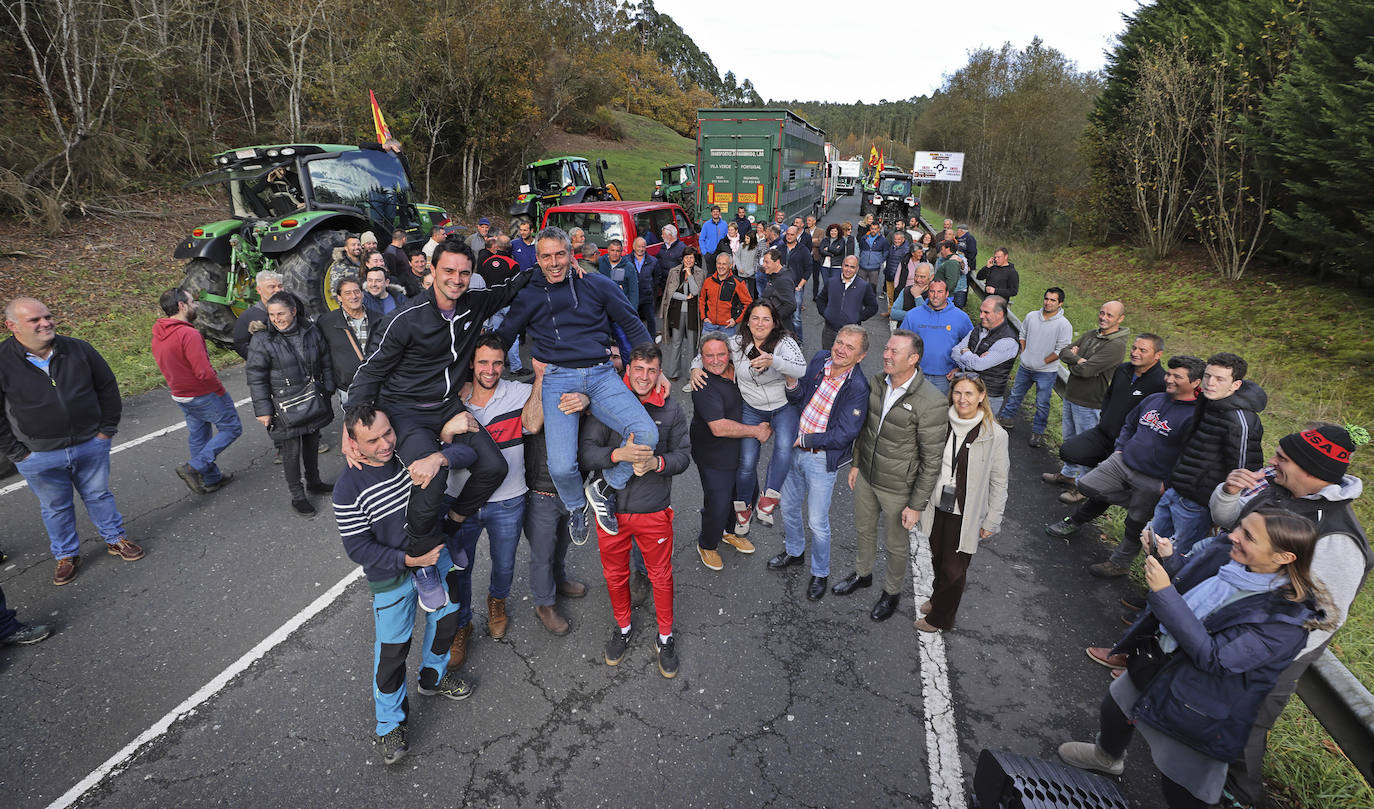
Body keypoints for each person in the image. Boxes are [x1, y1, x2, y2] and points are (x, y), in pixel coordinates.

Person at [1058, 510, 1331, 809]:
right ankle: (1106, 757)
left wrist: (1164, 593)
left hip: (1201, 705)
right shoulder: (1233, 561)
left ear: (1283, 558)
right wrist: (1167, 558)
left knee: (1182, 788)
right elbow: (1187, 582)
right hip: (1162, 665)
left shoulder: (1284, 622)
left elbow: (1215, 659)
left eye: (1248, 536)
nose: (1233, 535)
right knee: (1115, 708)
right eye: (1240, 527)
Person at [347, 238, 528, 613]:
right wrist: (351, 429)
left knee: (494, 466)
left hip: (447, 406)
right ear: (431, 269)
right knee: (431, 479)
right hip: (407, 412)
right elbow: (369, 373)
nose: (456, 279)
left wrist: (554, 266)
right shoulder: (404, 319)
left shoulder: (474, 305)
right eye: (448, 271)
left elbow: (513, 286)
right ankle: (422, 558)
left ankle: (451, 525)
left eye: (464, 272)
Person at [1209, 425, 1370, 808]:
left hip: (1270, 655)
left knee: (1242, 733)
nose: (1271, 462)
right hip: (1233, 630)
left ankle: (1243, 800)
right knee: (1216, 719)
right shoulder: (1273, 488)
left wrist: (1267, 651)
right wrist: (1229, 492)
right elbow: (1227, 522)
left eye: (1282, 458)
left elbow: (1327, 616)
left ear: (1310, 469)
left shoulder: (1339, 538)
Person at [495, 226, 659, 547]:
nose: (554, 262)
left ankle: (604, 487)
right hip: (558, 378)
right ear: (537, 259)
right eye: (546, 256)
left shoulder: (597, 284)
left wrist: (654, 367)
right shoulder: (529, 293)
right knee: (561, 465)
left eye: (560, 254)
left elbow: (631, 324)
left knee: (648, 435)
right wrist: (478, 377)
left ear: (572, 254)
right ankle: (576, 505)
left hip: (601, 375)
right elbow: (503, 336)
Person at [333, 405, 476, 767]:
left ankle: (433, 677)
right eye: (373, 440)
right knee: (392, 653)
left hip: (434, 555)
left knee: (447, 621)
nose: (384, 444)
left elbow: (469, 453)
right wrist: (409, 563)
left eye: (387, 433)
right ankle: (389, 725)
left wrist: (438, 457)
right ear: (353, 443)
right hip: (393, 575)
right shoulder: (346, 488)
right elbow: (358, 548)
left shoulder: (405, 451)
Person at [0, 297, 141, 586]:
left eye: (48, 316)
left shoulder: (78, 349)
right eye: (35, 320)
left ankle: (116, 539)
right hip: (37, 454)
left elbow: (107, 387)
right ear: (12, 326)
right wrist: (17, 453)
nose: (46, 323)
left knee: (99, 495)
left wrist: (106, 430)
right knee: (55, 507)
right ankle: (66, 555)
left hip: (90, 443)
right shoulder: (2, 361)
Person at [581, 343, 690, 676]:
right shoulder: (606, 405)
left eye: (651, 371)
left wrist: (657, 463)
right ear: (627, 370)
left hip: (652, 510)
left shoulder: (672, 409)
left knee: (661, 576)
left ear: (660, 374)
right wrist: (617, 456)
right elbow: (587, 453)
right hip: (610, 512)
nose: (644, 377)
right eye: (638, 369)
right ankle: (624, 627)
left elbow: (683, 456)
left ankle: (666, 637)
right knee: (615, 576)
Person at [1045, 356, 1204, 579]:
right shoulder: (1155, 399)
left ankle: (1118, 563)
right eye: (1169, 373)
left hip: (1154, 478)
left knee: (1135, 524)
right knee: (1087, 486)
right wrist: (1120, 449)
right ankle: (1135, 501)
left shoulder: (1195, 415)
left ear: (1196, 382)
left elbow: (1189, 455)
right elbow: (1130, 423)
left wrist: (1165, 484)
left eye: (1178, 376)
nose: (1169, 379)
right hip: (1123, 461)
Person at [445, 337, 554, 639]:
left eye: (496, 363)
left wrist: (542, 378)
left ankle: (497, 601)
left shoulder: (518, 393)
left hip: (508, 501)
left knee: (504, 565)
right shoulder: (454, 397)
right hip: (459, 501)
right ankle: (462, 623)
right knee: (460, 569)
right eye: (483, 362)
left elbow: (534, 423)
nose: (490, 370)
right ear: (471, 364)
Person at [835, 330, 947, 620]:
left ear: (913, 359)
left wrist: (917, 504)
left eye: (894, 351)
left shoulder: (931, 401)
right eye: (886, 348)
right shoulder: (875, 383)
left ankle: (891, 592)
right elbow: (864, 428)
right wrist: (857, 464)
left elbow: (932, 460)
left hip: (899, 489)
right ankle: (863, 574)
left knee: (896, 545)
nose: (886, 354)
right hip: (867, 478)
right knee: (863, 529)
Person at [768, 325, 871, 601]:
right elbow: (800, 397)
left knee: (817, 521)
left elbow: (845, 433)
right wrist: (792, 384)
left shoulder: (858, 387)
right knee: (788, 506)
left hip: (819, 457)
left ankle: (821, 573)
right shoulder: (819, 360)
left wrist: (804, 440)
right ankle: (794, 551)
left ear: (860, 356)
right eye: (840, 342)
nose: (841, 349)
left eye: (850, 347)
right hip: (793, 449)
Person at [689, 301, 806, 534]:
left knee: (783, 448)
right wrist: (694, 367)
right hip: (752, 408)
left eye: (766, 319)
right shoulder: (737, 343)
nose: (760, 324)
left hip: (782, 406)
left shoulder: (784, 342)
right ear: (747, 320)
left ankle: (767, 501)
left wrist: (774, 361)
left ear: (774, 322)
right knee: (747, 461)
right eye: (755, 318)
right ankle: (743, 509)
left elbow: (801, 369)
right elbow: (710, 351)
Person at [913, 373, 1009, 632]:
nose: (962, 399)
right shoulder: (940, 422)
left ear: (981, 396)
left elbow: (999, 482)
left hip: (965, 513)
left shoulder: (995, 435)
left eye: (969, 394)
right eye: (957, 392)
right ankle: (937, 599)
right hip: (936, 504)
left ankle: (940, 619)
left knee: (954, 570)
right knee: (937, 558)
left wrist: (993, 520)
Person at [1154, 352, 1267, 554]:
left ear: (1236, 385)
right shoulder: (1208, 401)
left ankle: (1163, 587)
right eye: (1207, 376)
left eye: (1219, 379)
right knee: (1152, 543)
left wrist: (1220, 516)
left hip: (1197, 505)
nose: (1210, 383)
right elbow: (1191, 446)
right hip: (1176, 489)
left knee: (1176, 557)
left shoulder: (1240, 422)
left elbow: (1244, 472)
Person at [246, 292, 335, 515]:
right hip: (283, 407)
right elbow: (256, 377)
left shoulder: (311, 330)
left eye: (281, 313)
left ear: (293, 311)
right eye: (272, 315)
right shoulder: (261, 339)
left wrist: (329, 386)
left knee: (313, 443)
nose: (276, 319)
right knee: (291, 452)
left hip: (313, 398)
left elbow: (325, 358)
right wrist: (264, 410)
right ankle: (298, 496)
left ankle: (314, 482)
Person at [1052, 334, 1167, 506]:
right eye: (1134, 348)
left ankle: (1085, 489)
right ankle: (1094, 472)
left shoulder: (1160, 382)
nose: (1135, 353)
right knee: (1069, 451)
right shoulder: (1123, 369)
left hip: (1127, 442)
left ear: (1158, 355)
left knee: (1110, 479)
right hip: (1104, 431)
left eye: (1143, 350)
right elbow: (1109, 395)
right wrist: (1105, 418)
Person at [689, 335, 771, 571]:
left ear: (730, 353)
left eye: (721, 354)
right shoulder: (703, 383)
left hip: (741, 450)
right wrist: (757, 431)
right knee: (718, 501)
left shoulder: (742, 369)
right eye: (709, 356)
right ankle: (707, 543)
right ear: (700, 359)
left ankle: (730, 531)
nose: (715, 361)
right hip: (714, 454)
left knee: (747, 494)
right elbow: (719, 427)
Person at [152, 288, 243, 494]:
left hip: (180, 395)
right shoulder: (188, 334)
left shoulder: (158, 333)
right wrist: (219, 390)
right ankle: (193, 468)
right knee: (231, 428)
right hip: (203, 394)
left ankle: (211, 478)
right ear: (182, 306)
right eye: (193, 302)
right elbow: (203, 372)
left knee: (199, 436)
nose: (196, 305)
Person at [1043, 301, 1131, 486]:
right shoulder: (1092, 334)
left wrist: (1075, 360)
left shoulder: (1116, 345)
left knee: (1087, 447)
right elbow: (1064, 352)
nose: (1103, 317)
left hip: (1090, 402)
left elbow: (1086, 371)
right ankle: (1068, 474)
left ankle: (1083, 485)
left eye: (1109, 315)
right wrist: (1079, 360)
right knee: (1069, 440)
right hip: (1072, 394)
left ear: (1120, 319)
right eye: (1102, 312)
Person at [996, 287, 1072, 447]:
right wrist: (1025, 353)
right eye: (1046, 298)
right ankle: (1006, 419)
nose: (1048, 302)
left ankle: (1037, 433)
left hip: (1046, 372)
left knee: (1042, 403)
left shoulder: (1064, 325)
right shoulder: (1031, 316)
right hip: (1025, 367)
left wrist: (1043, 361)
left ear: (1060, 303)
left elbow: (1061, 350)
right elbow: (1022, 334)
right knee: (1015, 394)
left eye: (1053, 300)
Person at [316, 275, 382, 408]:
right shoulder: (326, 322)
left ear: (362, 294)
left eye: (357, 291)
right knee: (355, 425)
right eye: (347, 293)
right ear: (339, 297)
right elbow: (322, 355)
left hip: (378, 385)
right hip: (348, 388)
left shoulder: (379, 319)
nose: (354, 296)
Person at [899, 279, 972, 396]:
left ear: (947, 294)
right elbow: (900, 344)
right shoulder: (912, 315)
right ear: (928, 292)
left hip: (945, 378)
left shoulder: (961, 318)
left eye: (940, 292)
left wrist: (959, 368)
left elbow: (971, 345)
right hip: (916, 375)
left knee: (939, 412)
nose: (935, 296)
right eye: (932, 291)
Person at [949, 296, 1019, 416]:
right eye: (981, 311)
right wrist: (969, 363)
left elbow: (979, 365)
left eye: (986, 312)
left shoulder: (1008, 341)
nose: (981, 315)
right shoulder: (978, 329)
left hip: (988, 397)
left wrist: (966, 353)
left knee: (982, 433)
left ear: (1000, 314)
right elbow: (955, 351)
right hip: (967, 391)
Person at [816, 255, 879, 352]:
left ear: (857, 268)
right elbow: (821, 300)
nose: (848, 269)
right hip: (830, 331)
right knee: (827, 358)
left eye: (852, 267)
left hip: (852, 333)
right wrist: (826, 314)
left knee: (848, 362)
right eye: (846, 265)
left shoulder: (863, 286)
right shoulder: (831, 282)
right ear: (842, 266)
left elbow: (873, 307)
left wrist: (858, 317)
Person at [658, 246, 704, 379]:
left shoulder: (699, 273)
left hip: (692, 313)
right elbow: (670, 293)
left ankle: (692, 374)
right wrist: (685, 297)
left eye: (691, 257)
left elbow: (696, 292)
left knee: (692, 345)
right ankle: (673, 373)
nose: (688, 260)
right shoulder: (674, 271)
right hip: (677, 312)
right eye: (686, 257)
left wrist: (689, 275)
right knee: (676, 343)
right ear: (682, 258)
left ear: (695, 259)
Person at [699, 250, 752, 343]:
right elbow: (702, 299)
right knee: (706, 354)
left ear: (730, 266)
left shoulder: (738, 283)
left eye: (724, 264)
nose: (721, 266)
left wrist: (736, 320)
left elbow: (748, 303)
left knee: (727, 356)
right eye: (719, 263)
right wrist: (704, 317)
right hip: (709, 326)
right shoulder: (708, 281)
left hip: (727, 328)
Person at [232, 270, 284, 359]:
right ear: (259, 290)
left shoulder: (294, 308)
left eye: (280, 286)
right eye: (272, 287)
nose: (278, 290)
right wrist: (262, 360)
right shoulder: (248, 316)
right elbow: (240, 345)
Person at [754, 247, 797, 331]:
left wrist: (773, 320)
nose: (764, 265)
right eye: (763, 262)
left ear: (777, 262)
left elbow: (791, 305)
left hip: (779, 330)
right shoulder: (774, 275)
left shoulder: (784, 280)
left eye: (767, 262)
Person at [627, 236, 659, 334]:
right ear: (633, 247)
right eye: (639, 247)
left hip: (647, 296)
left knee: (651, 320)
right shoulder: (626, 260)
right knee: (632, 320)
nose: (641, 249)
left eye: (643, 247)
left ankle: (652, 340)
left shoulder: (653, 261)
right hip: (632, 297)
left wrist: (650, 287)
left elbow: (657, 277)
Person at [596, 238, 638, 311]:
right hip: (602, 307)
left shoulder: (628, 267)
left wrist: (633, 311)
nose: (615, 253)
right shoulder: (599, 262)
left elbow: (633, 291)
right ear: (608, 250)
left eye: (617, 251)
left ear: (621, 252)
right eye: (612, 250)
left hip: (621, 307)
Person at [889, 260, 932, 327]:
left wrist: (917, 296)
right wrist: (915, 315)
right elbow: (894, 313)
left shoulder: (934, 294)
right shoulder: (906, 290)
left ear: (931, 277)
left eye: (922, 277)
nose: (918, 280)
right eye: (916, 276)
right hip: (904, 333)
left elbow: (925, 316)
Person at [881, 230, 912, 317]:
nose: (896, 241)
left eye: (898, 239)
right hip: (889, 274)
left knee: (897, 297)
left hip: (898, 278)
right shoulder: (892, 247)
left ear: (903, 239)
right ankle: (890, 312)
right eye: (895, 239)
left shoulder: (906, 250)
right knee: (890, 295)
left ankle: (895, 314)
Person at [856, 220, 889, 293]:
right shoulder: (863, 238)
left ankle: (870, 303)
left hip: (874, 269)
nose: (873, 230)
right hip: (862, 267)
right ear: (869, 229)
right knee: (860, 287)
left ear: (878, 229)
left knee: (872, 289)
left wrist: (880, 261)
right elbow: (860, 249)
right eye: (872, 228)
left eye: (875, 229)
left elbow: (886, 252)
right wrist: (861, 259)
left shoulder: (883, 241)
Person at [818, 223, 846, 293]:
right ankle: (827, 301)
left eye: (835, 231)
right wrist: (832, 254)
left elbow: (838, 251)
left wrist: (828, 249)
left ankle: (833, 301)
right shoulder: (825, 240)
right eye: (831, 231)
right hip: (824, 266)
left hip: (836, 266)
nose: (833, 233)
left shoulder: (841, 240)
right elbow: (821, 251)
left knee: (834, 285)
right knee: (826, 284)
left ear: (838, 232)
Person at [733, 227, 759, 298]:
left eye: (747, 238)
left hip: (751, 275)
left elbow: (756, 261)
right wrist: (739, 267)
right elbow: (736, 257)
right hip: (741, 273)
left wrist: (751, 271)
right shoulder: (741, 246)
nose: (745, 240)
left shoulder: (756, 248)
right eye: (745, 238)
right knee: (741, 293)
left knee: (750, 293)